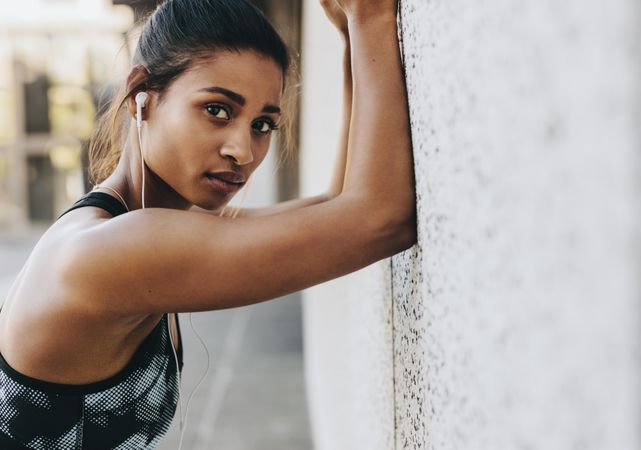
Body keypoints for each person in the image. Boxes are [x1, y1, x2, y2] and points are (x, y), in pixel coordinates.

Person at [0, 0, 416, 448]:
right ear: (143, 94)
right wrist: (372, 16)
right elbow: (379, 220)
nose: (244, 150)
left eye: (262, 124)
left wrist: (354, 38)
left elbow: (340, 209)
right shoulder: (110, 250)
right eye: (217, 110)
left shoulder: (138, 222)